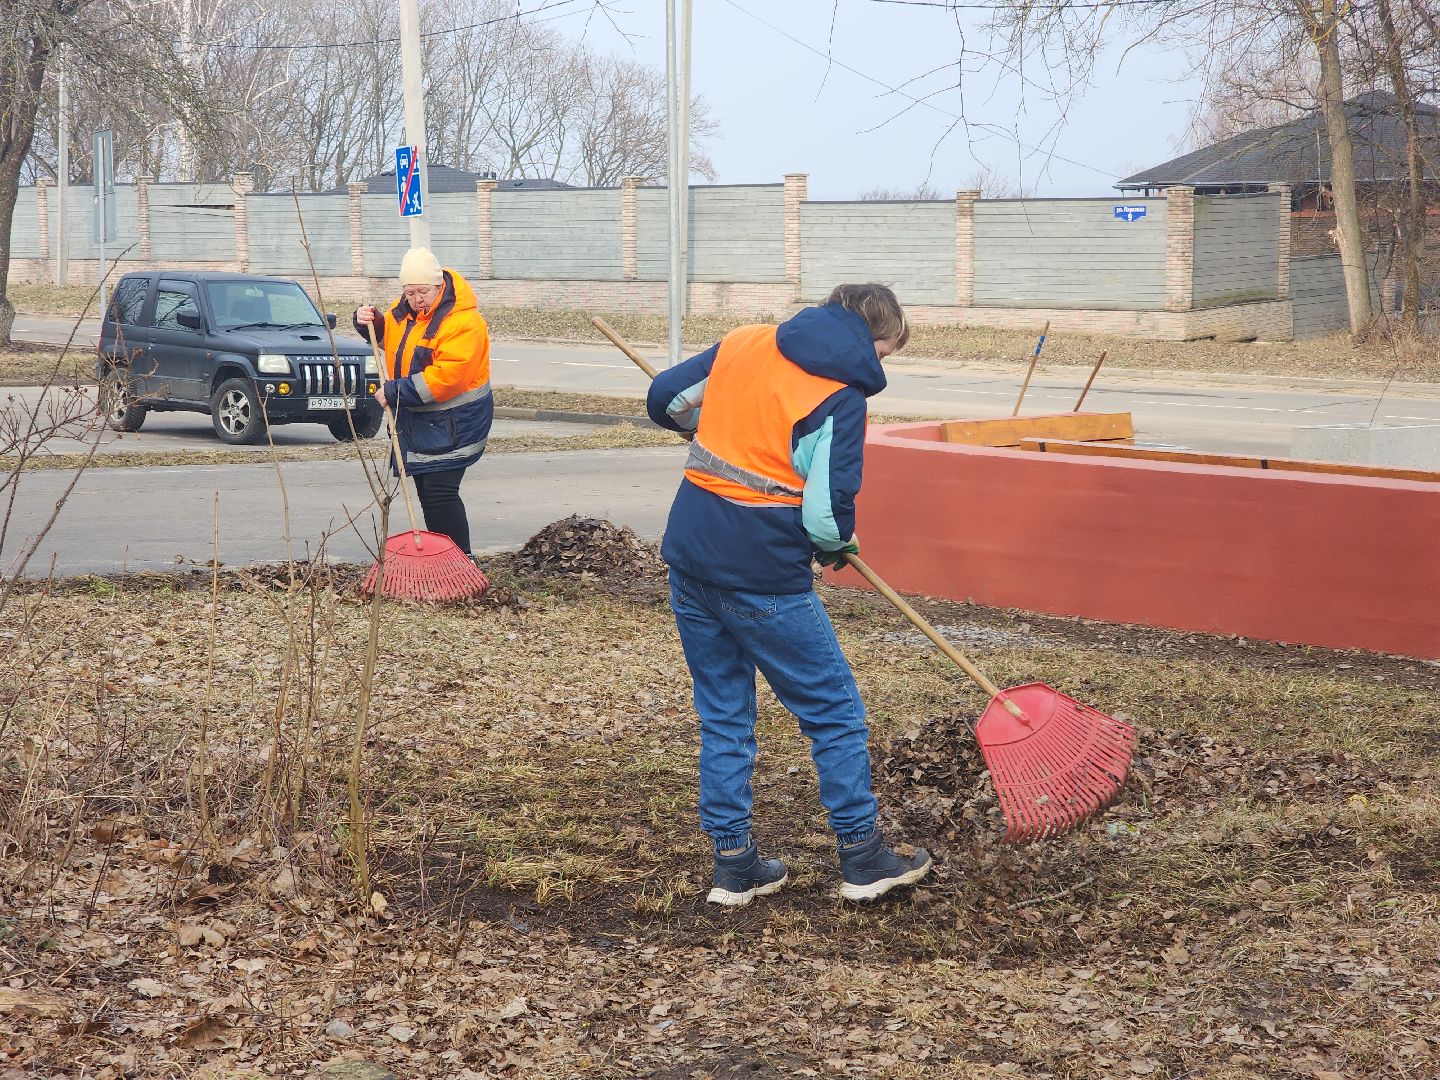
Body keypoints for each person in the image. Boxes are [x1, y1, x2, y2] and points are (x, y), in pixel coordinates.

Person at [646, 283, 933, 906]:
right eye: (885, 352)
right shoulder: (841, 397)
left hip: (691, 557)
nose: (880, 365)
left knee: (724, 715)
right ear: (868, 336)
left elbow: (664, 399)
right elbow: (827, 515)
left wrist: (710, 428)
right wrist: (834, 548)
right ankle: (862, 856)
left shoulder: (745, 343)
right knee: (834, 712)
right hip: (762, 574)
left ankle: (734, 865)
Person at [355, 248, 492, 559]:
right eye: (410, 292)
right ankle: (443, 558)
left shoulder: (463, 322)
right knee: (428, 493)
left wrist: (396, 392)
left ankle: (461, 560)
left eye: (423, 292)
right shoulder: (404, 311)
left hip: (456, 421)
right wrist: (370, 323)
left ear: (439, 285)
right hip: (420, 420)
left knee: (441, 492)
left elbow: (448, 376)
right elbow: (389, 334)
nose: (417, 299)